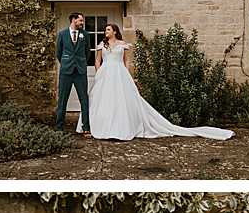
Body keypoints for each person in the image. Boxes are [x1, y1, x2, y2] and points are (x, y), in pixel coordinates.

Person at [80, 23, 234, 141]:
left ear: (114, 31)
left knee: (122, 100)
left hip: (120, 73)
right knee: (104, 100)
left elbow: (126, 61)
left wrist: (127, 74)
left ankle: (121, 127)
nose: (106, 32)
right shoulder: (102, 45)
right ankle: (102, 126)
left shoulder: (123, 44)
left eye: (108, 29)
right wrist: (99, 72)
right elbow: (97, 60)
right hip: (105, 74)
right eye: (105, 30)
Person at [54, 12, 91, 135]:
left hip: (80, 72)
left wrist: (81, 63)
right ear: (73, 20)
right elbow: (58, 53)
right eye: (80, 20)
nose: (82, 23)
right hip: (66, 72)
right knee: (62, 100)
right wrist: (66, 63)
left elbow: (87, 53)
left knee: (84, 100)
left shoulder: (85, 35)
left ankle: (86, 127)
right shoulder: (62, 34)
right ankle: (59, 128)